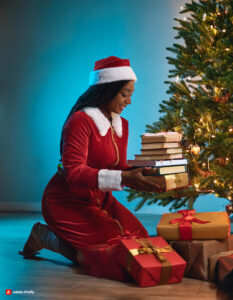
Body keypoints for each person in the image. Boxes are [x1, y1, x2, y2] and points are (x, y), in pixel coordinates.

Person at [19, 56, 160, 281]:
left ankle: (65, 239)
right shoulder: (80, 121)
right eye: (125, 94)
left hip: (101, 200)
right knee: (116, 255)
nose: (129, 101)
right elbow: (74, 173)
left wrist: (149, 177)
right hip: (66, 202)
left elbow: (119, 167)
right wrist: (125, 177)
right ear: (107, 89)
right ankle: (46, 236)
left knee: (141, 243)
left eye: (131, 94)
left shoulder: (121, 124)